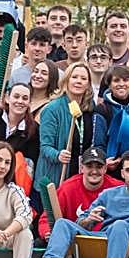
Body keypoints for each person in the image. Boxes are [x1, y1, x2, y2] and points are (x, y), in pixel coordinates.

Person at [37, 61, 106, 192]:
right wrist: (58, 155)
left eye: (83, 78)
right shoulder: (52, 109)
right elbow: (45, 147)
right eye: (74, 77)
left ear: (88, 85)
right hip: (56, 176)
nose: (78, 81)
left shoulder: (90, 109)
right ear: (66, 81)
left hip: (79, 174)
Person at [37, 146, 123, 238]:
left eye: (99, 167)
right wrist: (48, 232)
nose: (94, 171)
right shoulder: (67, 188)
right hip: (75, 243)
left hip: (108, 241)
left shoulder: (119, 188)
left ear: (105, 168)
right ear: (81, 168)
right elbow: (46, 219)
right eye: (89, 166)